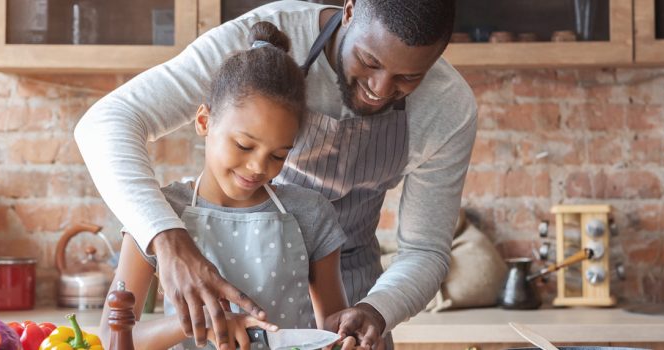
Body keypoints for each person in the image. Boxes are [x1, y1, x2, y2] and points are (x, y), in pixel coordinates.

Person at [76, 0, 476, 349]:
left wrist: (377, 309)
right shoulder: (263, 42)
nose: (380, 88)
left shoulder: (448, 106)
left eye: (409, 78)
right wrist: (167, 237)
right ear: (349, 11)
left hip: (361, 292)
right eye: (369, 61)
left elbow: (425, 250)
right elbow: (106, 122)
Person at [98, 21, 350, 350]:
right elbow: (112, 336)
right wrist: (197, 324)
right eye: (244, 146)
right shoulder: (160, 212)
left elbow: (332, 325)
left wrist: (347, 337)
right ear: (203, 121)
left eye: (278, 155)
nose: (259, 167)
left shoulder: (310, 212)